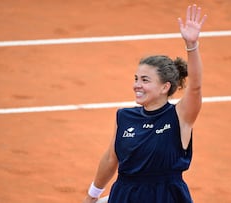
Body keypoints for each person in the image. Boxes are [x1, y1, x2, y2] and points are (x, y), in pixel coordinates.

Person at [83, 4, 207, 203]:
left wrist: (191, 45)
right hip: (125, 194)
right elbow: (110, 158)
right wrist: (92, 195)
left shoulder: (180, 116)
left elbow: (195, 87)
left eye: (145, 80)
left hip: (166, 196)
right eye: (136, 78)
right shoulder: (124, 116)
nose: (136, 86)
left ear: (165, 87)